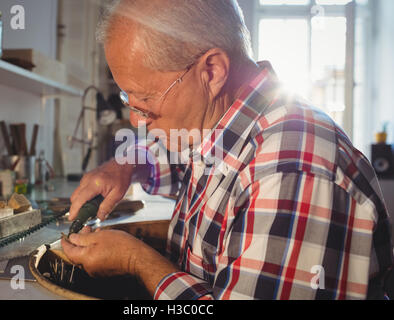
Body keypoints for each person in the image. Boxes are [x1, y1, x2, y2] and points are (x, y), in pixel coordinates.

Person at [61, 0, 393, 300]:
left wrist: (137, 262)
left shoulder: (290, 169)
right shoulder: (226, 126)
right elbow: (183, 158)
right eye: (127, 99)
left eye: (145, 100)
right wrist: (128, 164)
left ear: (212, 70)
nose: (137, 120)